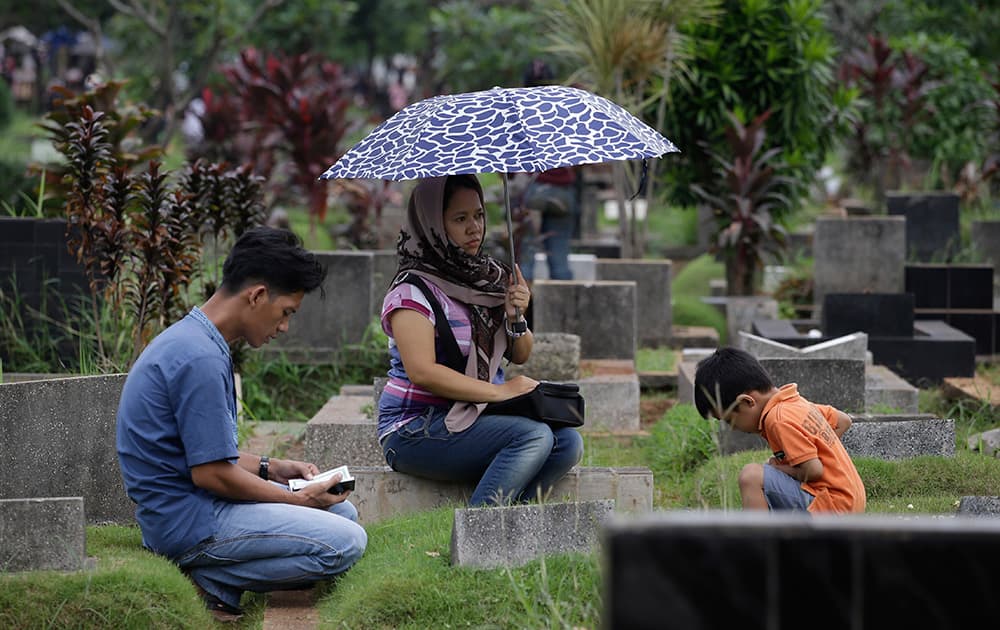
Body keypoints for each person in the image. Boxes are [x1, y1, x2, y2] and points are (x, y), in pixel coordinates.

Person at [116, 227, 367, 621]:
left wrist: (275, 469)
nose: (284, 328)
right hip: (188, 522)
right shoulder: (199, 358)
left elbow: (207, 451)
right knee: (347, 542)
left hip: (193, 507)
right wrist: (296, 498)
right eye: (286, 313)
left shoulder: (196, 339)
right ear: (257, 296)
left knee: (342, 515)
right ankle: (212, 579)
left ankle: (216, 578)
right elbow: (212, 474)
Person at [377, 174, 584, 506]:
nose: (474, 228)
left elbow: (521, 354)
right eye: (460, 219)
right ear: (432, 224)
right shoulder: (412, 290)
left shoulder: (488, 279)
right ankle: (481, 531)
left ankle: (510, 521)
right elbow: (422, 372)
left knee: (568, 443)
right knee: (532, 436)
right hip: (414, 427)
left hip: (476, 417)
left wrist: (516, 317)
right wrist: (500, 392)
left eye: (478, 215)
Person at [693, 347, 866, 514]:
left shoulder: (778, 419)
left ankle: (756, 541)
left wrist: (780, 468)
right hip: (851, 500)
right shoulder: (795, 403)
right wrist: (821, 449)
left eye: (730, 420)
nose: (732, 428)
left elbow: (814, 471)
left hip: (831, 506)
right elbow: (843, 420)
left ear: (747, 402)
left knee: (751, 476)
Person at [519, 59, 578, 283]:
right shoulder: (562, 109)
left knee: (526, 259)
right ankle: (565, 316)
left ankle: (524, 316)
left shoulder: (519, 110)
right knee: (560, 261)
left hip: (534, 192)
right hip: (563, 192)